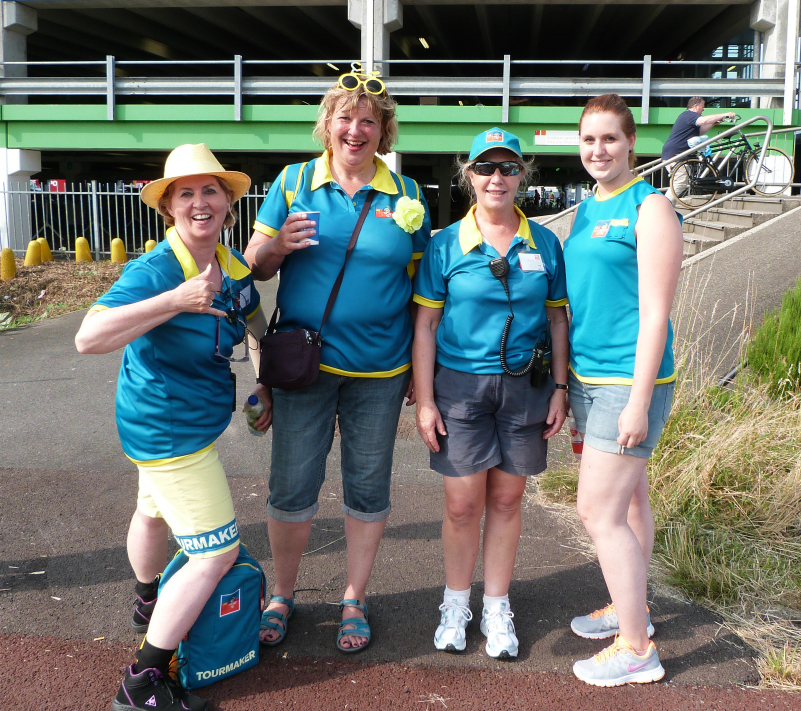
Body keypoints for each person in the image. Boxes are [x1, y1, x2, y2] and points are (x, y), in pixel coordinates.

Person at [243, 67, 431, 654]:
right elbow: (253, 266)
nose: (356, 130)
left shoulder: (409, 196)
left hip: (380, 370)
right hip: (306, 367)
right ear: (328, 125)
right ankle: (283, 593)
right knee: (293, 484)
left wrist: (418, 377)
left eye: (369, 121)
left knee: (368, 487)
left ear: (384, 131)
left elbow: (421, 285)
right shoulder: (295, 181)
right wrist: (275, 246)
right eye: (345, 118)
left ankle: (355, 597)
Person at [75, 143, 269, 711]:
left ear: (229, 203)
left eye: (211, 190)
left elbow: (256, 326)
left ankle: (147, 600)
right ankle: (143, 682)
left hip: (176, 425)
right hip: (168, 431)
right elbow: (89, 338)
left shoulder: (234, 267)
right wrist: (174, 301)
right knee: (215, 554)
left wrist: (265, 384)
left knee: (152, 509)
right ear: (169, 208)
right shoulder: (155, 269)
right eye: (185, 193)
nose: (200, 202)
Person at [413, 128, 569, 659]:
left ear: (522, 175)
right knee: (462, 504)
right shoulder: (443, 245)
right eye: (486, 168)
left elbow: (556, 319)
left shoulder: (545, 243)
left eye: (507, 168)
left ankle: (496, 605)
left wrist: (561, 388)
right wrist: (427, 399)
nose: (496, 178)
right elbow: (425, 326)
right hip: (459, 388)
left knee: (507, 498)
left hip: (526, 385)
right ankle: (456, 603)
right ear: (469, 176)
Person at [563, 94, 683, 686]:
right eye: (588, 140)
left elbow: (656, 314)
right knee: (632, 501)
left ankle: (637, 649)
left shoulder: (650, 207)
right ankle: (630, 608)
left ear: (631, 142)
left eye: (609, 138)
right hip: (589, 379)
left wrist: (638, 400)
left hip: (626, 383)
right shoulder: (589, 208)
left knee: (598, 512)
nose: (598, 150)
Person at [662, 96, 735, 205]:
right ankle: (664, 206)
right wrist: (724, 114)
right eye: (702, 107)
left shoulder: (689, 118)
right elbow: (704, 120)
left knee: (680, 182)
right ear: (696, 106)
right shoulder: (689, 115)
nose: (703, 110)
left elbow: (700, 131)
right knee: (680, 182)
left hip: (677, 154)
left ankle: (667, 207)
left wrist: (714, 123)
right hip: (675, 154)